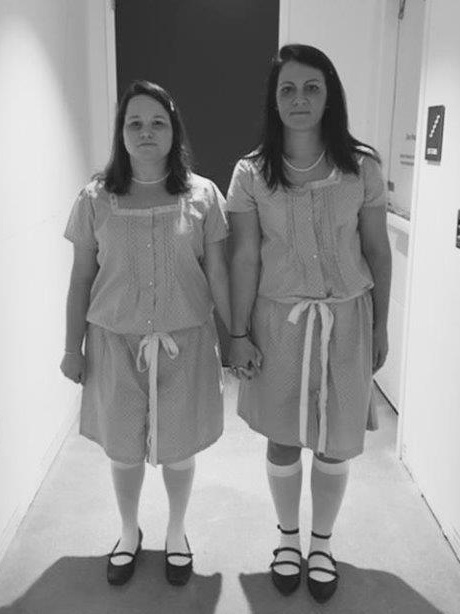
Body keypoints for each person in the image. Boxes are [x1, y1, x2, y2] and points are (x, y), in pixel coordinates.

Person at [227, 44, 391, 603]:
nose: (300, 99)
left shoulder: (361, 165)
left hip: (346, 319)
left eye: (312, 87)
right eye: (287, 89)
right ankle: (287, 539)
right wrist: (238, 332)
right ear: (274, 100)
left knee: (334, 441)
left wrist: (381, 326)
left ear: (330, 94)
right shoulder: (250, 172)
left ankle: (321, 542)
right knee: (282, 438)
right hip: (278, 322)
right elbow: (244, 257)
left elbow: (377, 249)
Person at [60, 80, 230, 587]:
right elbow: (81, 278)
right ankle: (129, 531)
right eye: (134, 122)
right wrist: (72, 347)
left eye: (157, 121)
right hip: (114, 343)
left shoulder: (203, 195)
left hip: (187, 341)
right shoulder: (95, 199)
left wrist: (237, 336)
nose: (145, 131)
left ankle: (177, 531)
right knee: (122, 447)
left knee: (180, 446)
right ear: (121, 133)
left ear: (173, 130)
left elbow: (219, 274)